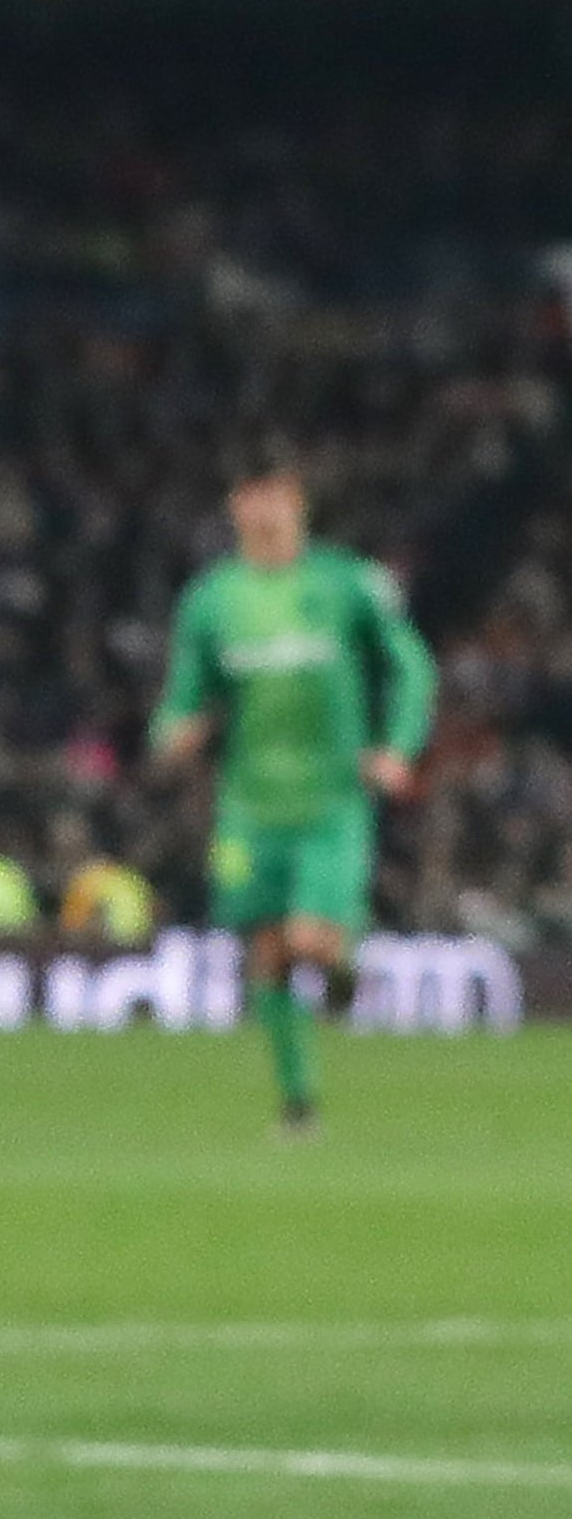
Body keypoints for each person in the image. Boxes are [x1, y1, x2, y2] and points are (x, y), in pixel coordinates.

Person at [152, 459, 435, 1133]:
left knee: (309, 940)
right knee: (269, 955)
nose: (263, 508)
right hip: (247, 808)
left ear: (299, 504)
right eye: (250, 495)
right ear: (232, 506)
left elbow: (411, 667)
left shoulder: (346, 584)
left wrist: (396, 746)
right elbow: (182, 693)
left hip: (330, 801)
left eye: (274, 495)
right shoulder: (211, 599)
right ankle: (298, 1101)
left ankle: (343, 965)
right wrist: (172, 730)